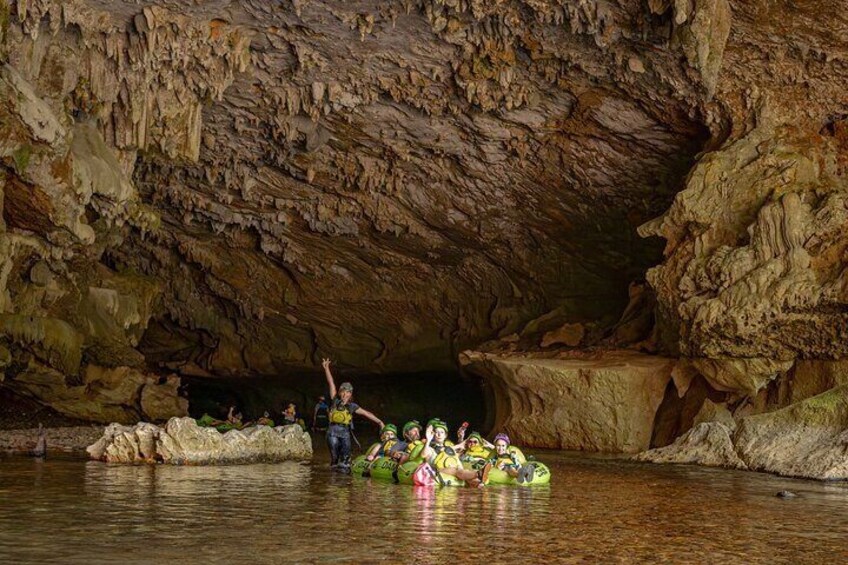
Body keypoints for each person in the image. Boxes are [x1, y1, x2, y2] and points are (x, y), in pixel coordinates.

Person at [322, 358, 383, 471]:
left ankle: (344, 481)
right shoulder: (334, 400)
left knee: (345, 459)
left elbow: (366, 413)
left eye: (348, 392)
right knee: (335, 458)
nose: (345, 394)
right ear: (340, 392)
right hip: (332, 431)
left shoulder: (352, 406)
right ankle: (333, 482)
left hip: (345, 432)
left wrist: (379, 422)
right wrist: (326, 368)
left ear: (350, 394)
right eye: (343, 391)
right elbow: (331, 383)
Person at [420, 421, 490, 488]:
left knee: (461, 471)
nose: (439, 434)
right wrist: (428, 440)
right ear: (433, 434)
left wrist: (462, 470)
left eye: (441, 432)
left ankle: (479, 482)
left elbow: (458, 463)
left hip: (453, 469)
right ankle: (478, 474)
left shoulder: (450, 449)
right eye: (436, 432)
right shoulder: (430, 448)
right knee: (456, 471)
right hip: (438, 470)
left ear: (445, 435)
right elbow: (423, 455)